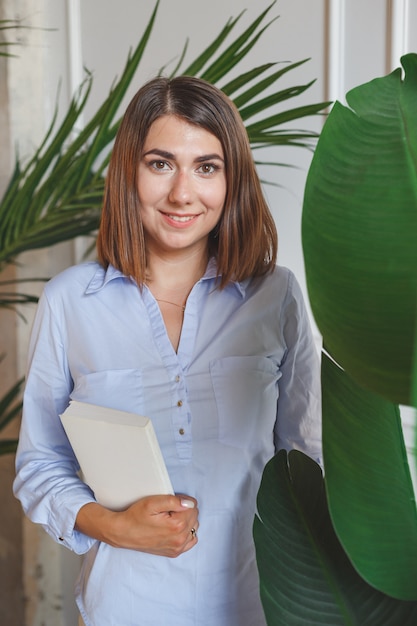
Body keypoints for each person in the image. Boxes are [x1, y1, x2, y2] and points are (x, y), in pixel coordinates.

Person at [13, 75, 322, 626]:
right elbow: (40, 464)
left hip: (258, 607)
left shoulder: (276, 295)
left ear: (233, 181)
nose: (183, 193)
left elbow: (306, 458)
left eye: (207, 167)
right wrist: (111, 525)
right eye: (160, 164)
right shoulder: (69, 302)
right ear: (129, 173)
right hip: (124, 608)